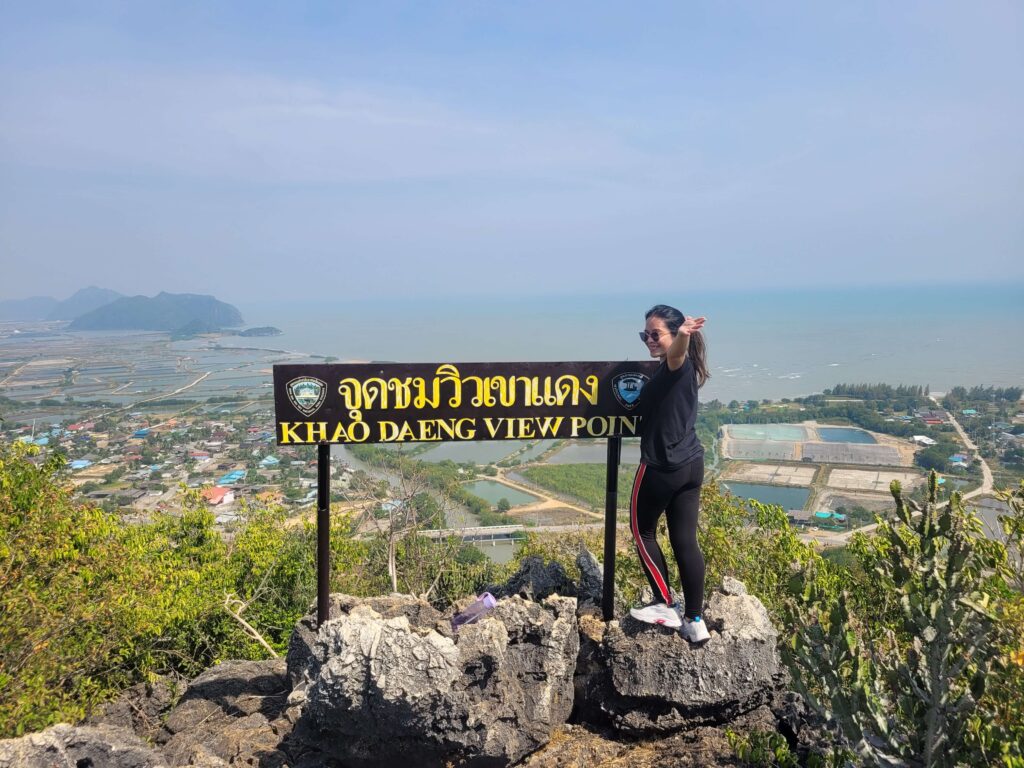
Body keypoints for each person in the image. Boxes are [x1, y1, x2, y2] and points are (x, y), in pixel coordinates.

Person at [628, 304, 711, 644]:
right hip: (692, 464)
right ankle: (695, 620)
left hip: (662, 466)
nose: (649, 339)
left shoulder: (678, 362)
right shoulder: (680, 368)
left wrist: (681, 337)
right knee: (685, 542)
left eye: (655, 334)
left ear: (674, 336)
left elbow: (676, 353)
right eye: (644, 334)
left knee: (641, 530)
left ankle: (665, 604)